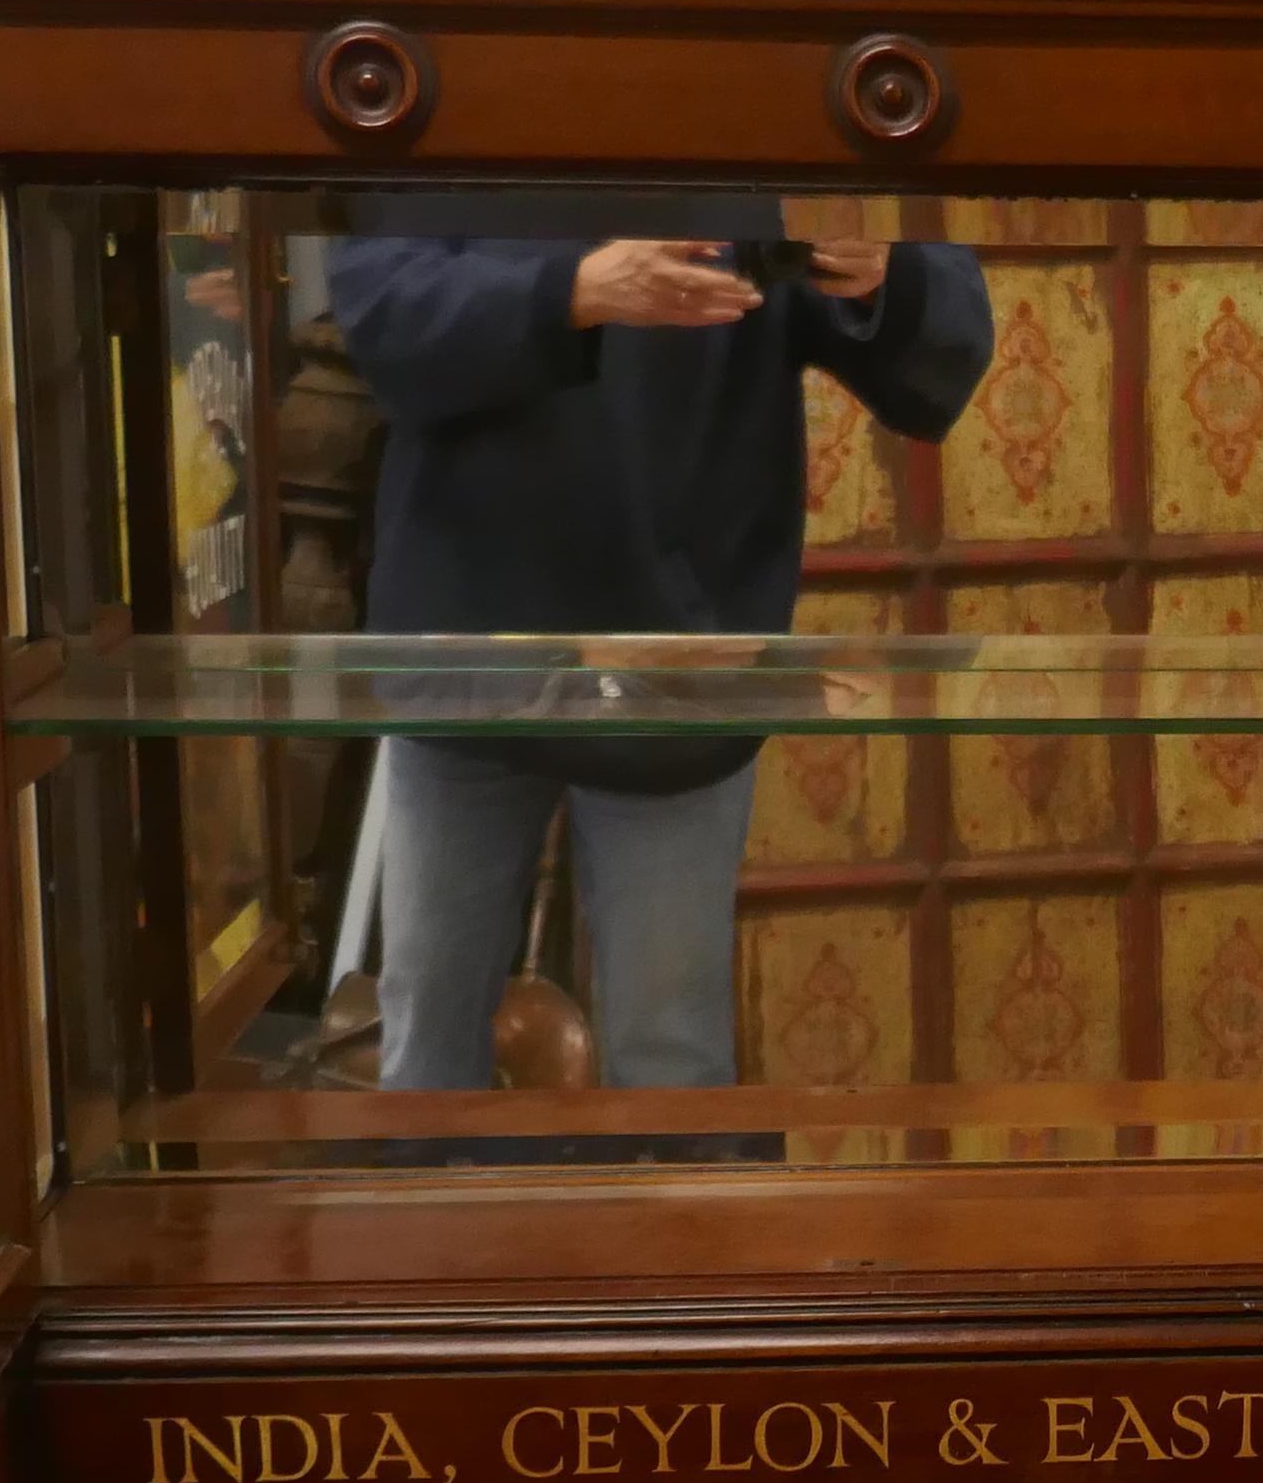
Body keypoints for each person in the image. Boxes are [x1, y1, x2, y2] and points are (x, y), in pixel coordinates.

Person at [320, 192, 990, 1099]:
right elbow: (382, 310)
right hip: (468, 629)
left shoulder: (755, 93)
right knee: (429, 1041)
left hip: (685, 646)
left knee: (669, 1056)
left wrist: (884, 270)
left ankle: (675, 1239)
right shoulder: (466, 81)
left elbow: (936, 341)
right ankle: (434, 1238)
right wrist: (576, 290)